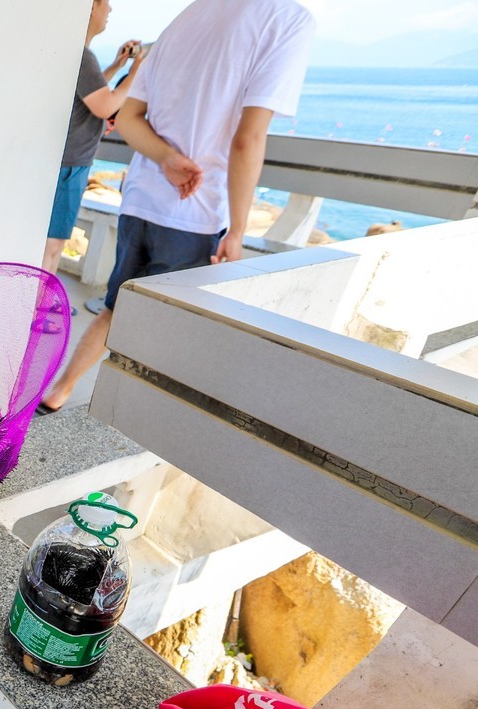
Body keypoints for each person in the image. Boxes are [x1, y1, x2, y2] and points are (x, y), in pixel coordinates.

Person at [39, 0, 315, 412]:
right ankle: (130, 414)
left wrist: (167, 159)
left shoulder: (185, 18)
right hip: (195, 210)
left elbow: (128, 118)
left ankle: (60, 391)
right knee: (170, 328)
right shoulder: (288, 18)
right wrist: (237, 231)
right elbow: (248, 138)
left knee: (118, 306)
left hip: (141, 199)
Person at [41, 0, 143, 276]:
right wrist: (136, 73)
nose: (110, 11)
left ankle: (41, 307)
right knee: (52, 246)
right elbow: (105, 106)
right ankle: (40, 313)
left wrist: (116, 66)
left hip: (66, 163)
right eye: (106, 4)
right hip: (70, 165)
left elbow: (91, 92)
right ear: (90, 7)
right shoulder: (83, 57)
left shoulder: (77, 54)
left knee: (51, 243)